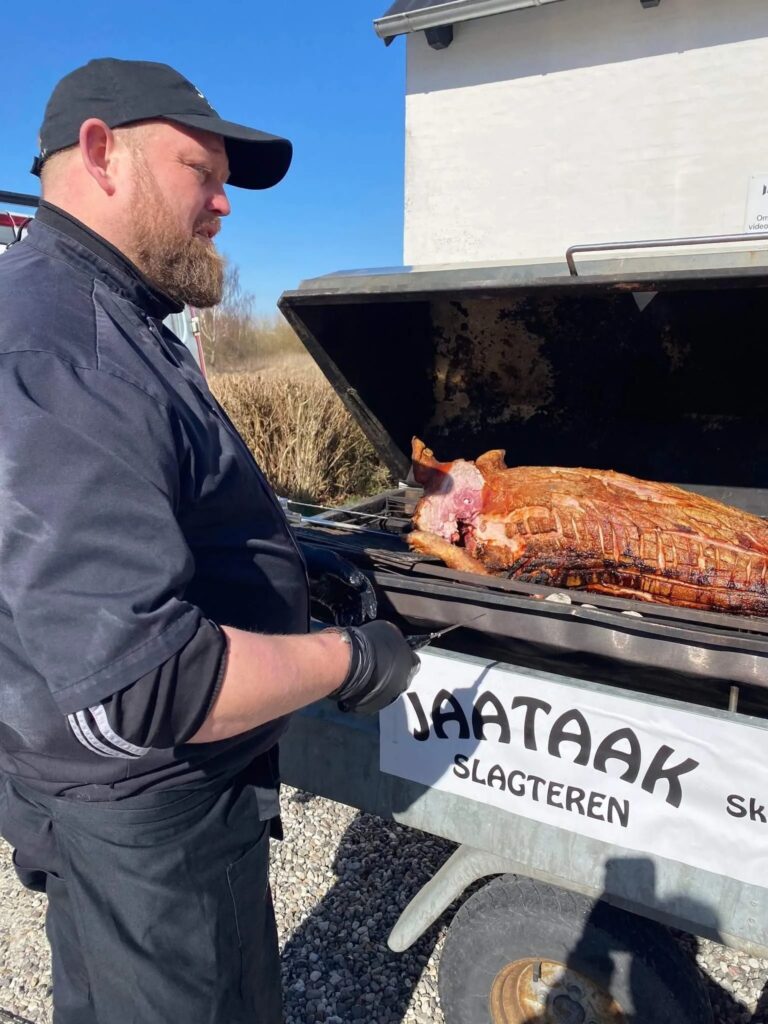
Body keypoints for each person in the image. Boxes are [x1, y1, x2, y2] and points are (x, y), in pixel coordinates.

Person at [0, 58, 419, 1024]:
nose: (225, 204)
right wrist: (350, 660)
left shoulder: (116, 317)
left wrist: (279, 556)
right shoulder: (61, 347)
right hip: (152, 831)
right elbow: (142, 689)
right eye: (205, 171)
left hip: (156, 818)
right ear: (102, 153)